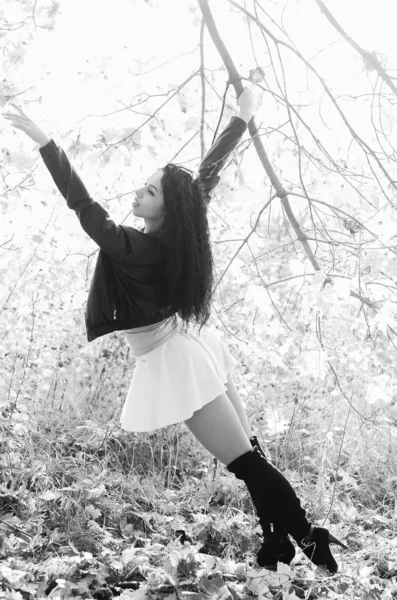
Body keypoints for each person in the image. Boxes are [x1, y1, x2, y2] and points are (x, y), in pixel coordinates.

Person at [3, 89, 346, 572]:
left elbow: (80, 201)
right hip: (190, 347)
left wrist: (46, 144)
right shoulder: (173, 232)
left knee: (246, 462)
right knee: (250, 455)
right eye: (143, 186)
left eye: (150, 191)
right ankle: (276, 545)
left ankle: (308, 536)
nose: (139, 193)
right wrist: (239, 121)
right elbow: (204, 177)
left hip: (176, 361)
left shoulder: (129, 246)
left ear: (167, 207)